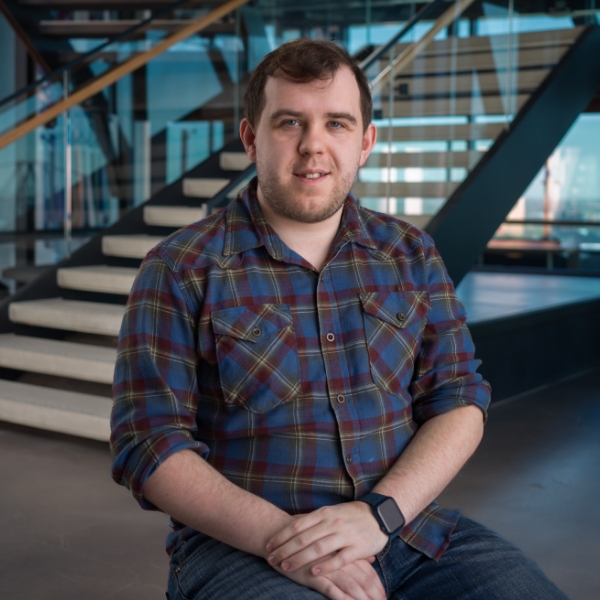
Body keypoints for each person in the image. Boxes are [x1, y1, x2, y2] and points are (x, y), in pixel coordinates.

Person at [110, 39, 569, 600]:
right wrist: (291, 541)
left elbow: (459, 401)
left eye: (337, 124)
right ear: (251, 138)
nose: (313, 147)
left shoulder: (410, 254)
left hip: (406, 531)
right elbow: (148, 443)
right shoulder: (180, 268)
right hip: (246, 547)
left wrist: (377, 516)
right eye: (289, 123)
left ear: (365, 142)